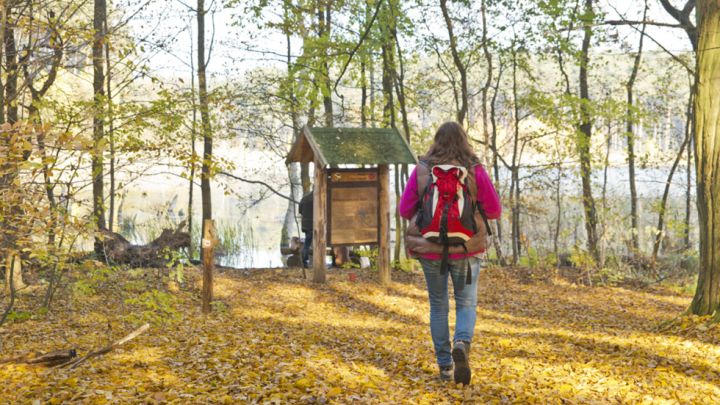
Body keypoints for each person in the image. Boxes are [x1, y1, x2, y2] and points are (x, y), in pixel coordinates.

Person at [399, 121, 501, 384]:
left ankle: (445, 367)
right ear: (464, 141)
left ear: (436, 140)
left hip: (429, 249)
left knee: (438, 306)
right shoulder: (474, 170)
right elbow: (494, 210)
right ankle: (462, 342)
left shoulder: (423, 169)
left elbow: (404, 209)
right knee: (466, 303)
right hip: (467, 249)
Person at [298, 190, 313, 268]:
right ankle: (306, 262)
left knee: (307, 244)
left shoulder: (305, 198)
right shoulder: (318, 198)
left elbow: (300, 211)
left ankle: (304, 262)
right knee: (318, 243)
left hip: (305, 224)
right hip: (314, 224)